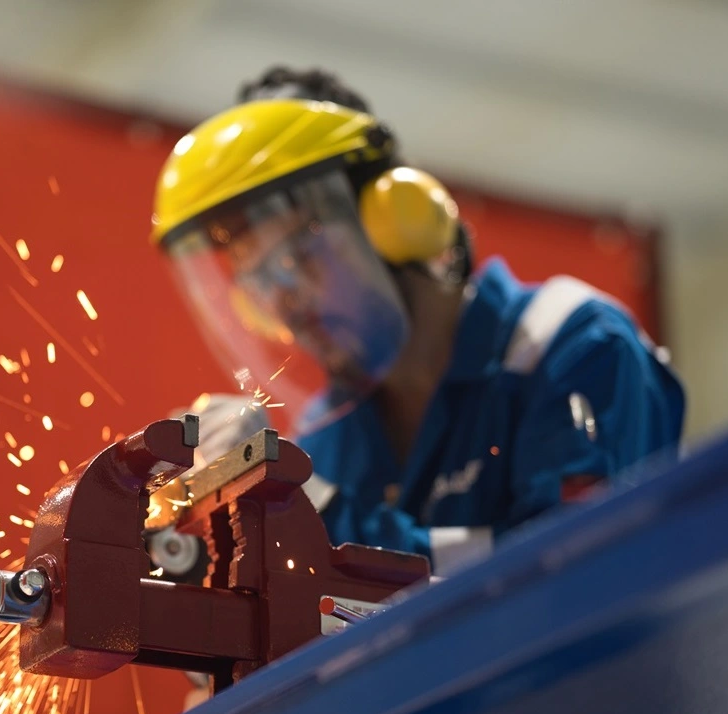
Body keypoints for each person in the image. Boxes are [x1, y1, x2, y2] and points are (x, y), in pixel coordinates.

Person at [148, 67, 685, 575]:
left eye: (295, 259)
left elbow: (565, 577)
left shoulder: (569, 348)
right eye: (258, 285)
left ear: (394, 219)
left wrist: (305, 509)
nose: (285, 303)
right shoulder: (328, 442)